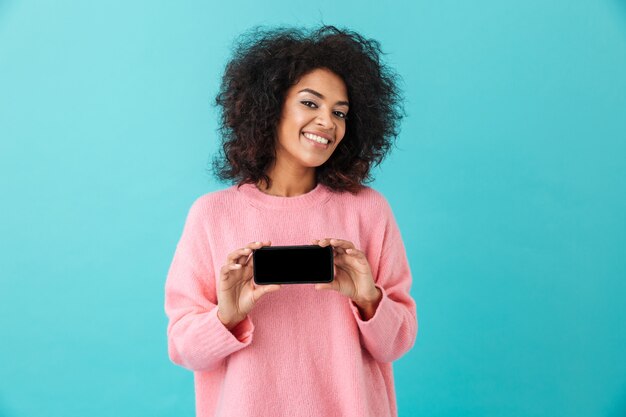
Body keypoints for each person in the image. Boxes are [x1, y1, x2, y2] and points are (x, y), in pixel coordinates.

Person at [164, 25, 418, 417]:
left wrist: (369, 300)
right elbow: (185, 350)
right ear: (270, 105)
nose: (327, 122)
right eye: (310, 103)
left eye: (340, 112)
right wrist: (227, 315)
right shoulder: (211, 215)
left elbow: (396, 344)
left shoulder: (368, 210)